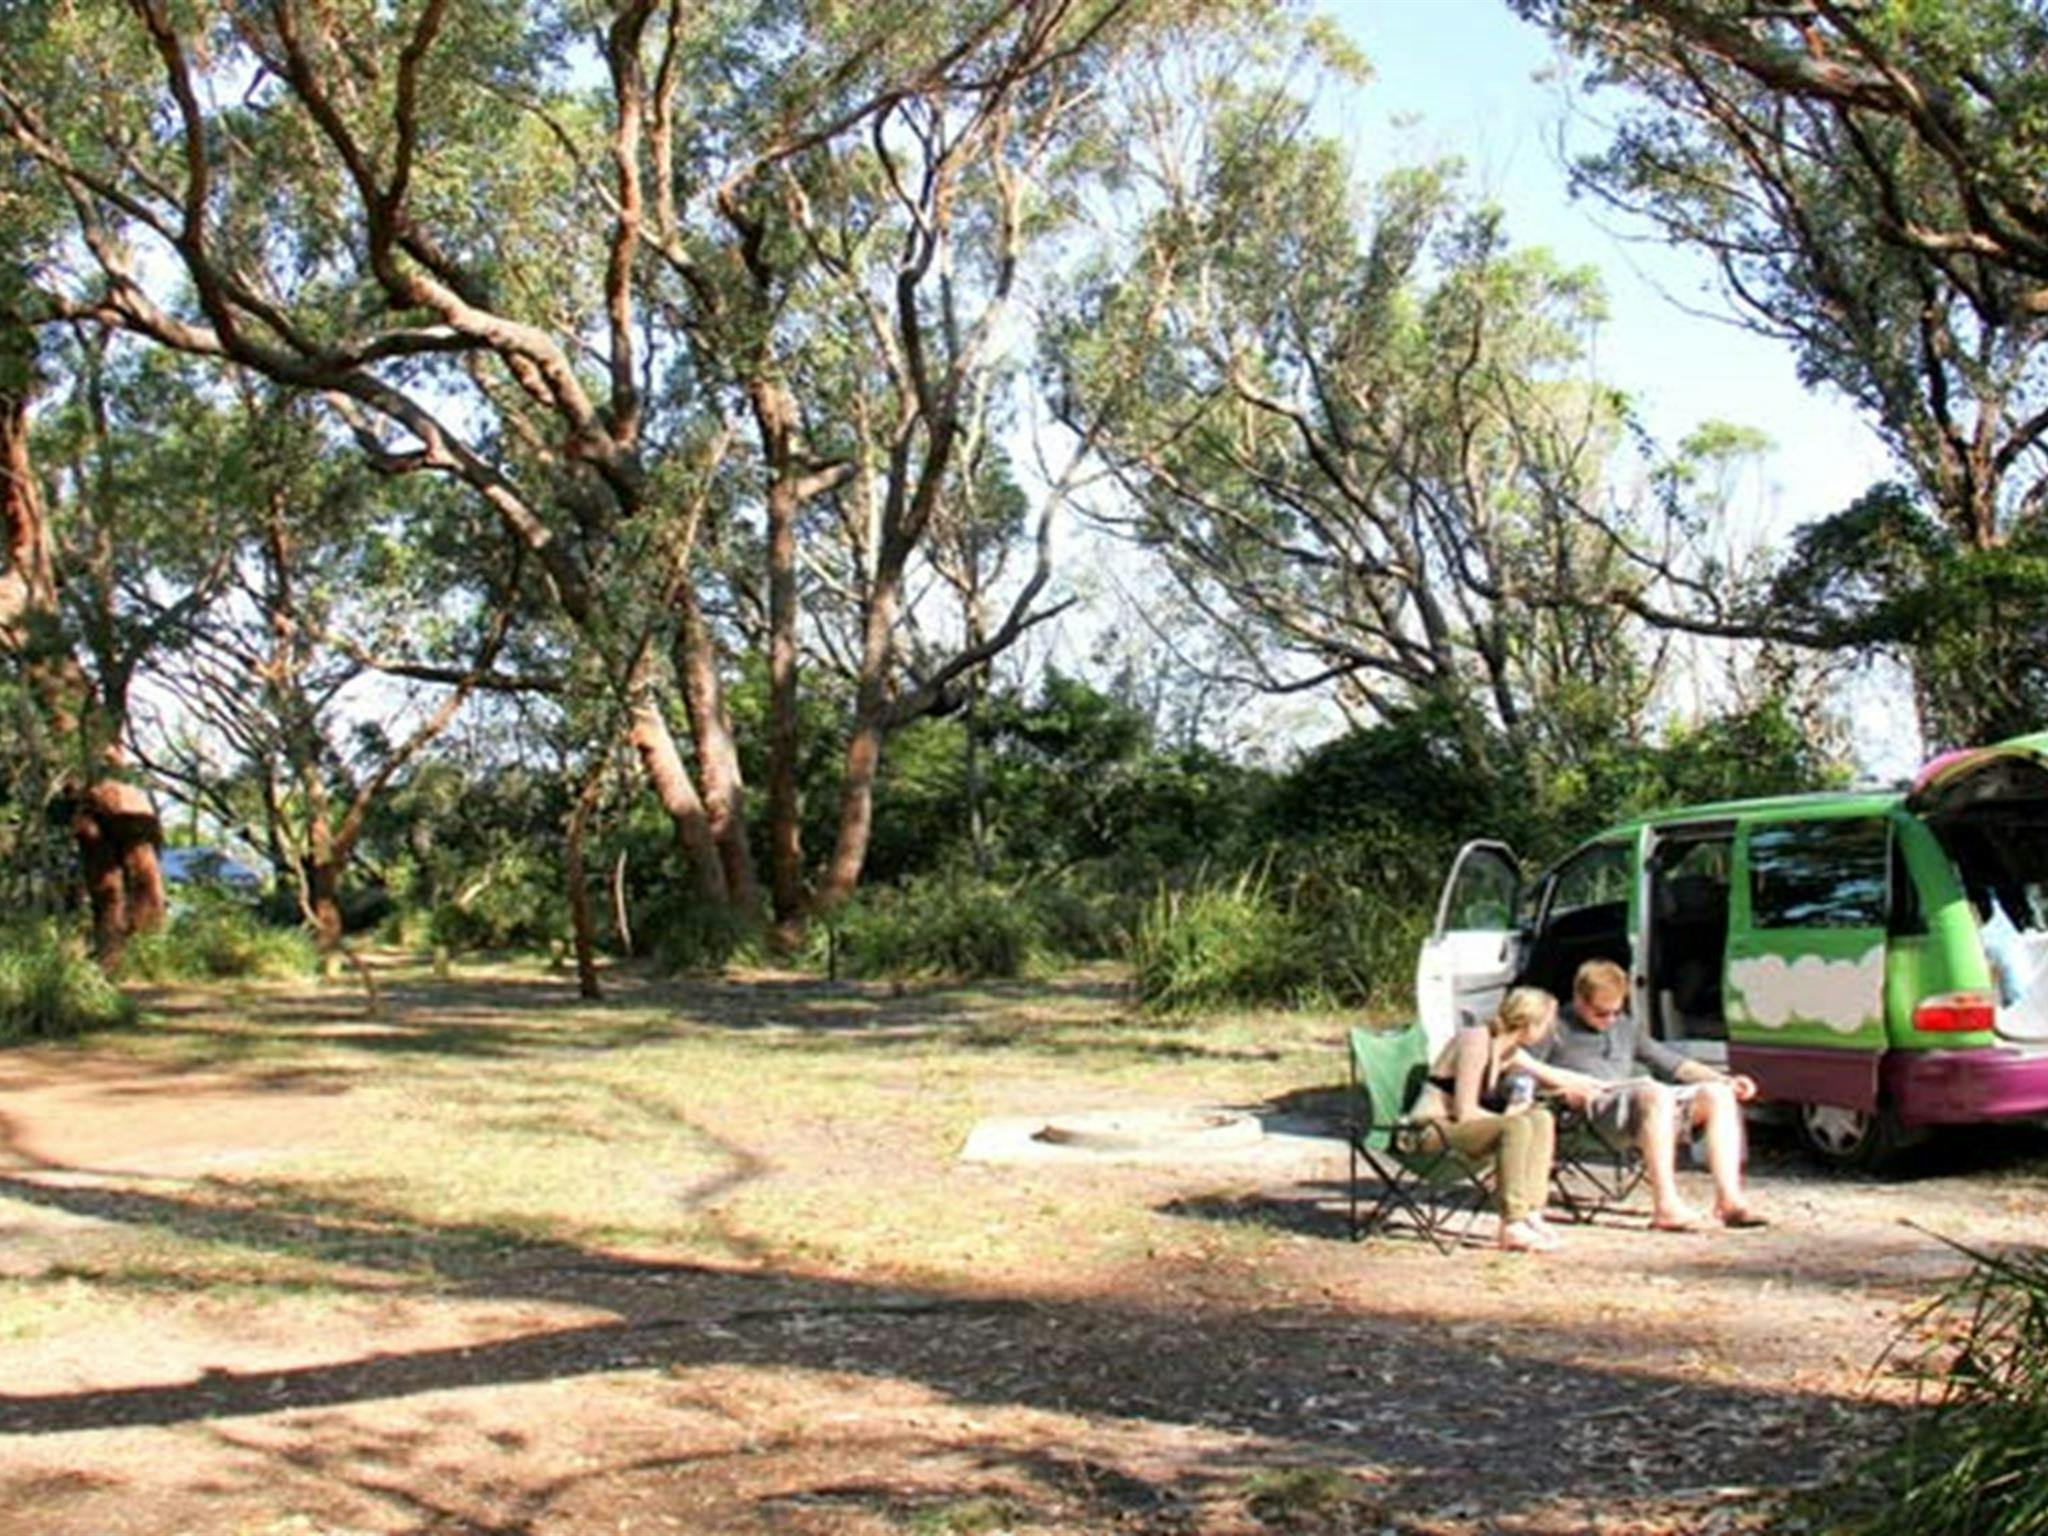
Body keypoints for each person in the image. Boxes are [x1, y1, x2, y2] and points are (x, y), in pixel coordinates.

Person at [1525, 958, 1766, 1232]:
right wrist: (1559, 1090)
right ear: (1579, 998)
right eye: (1601, 1013)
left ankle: (1729, 1201)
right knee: (1654, 1092)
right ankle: (1666, 1206)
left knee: (1717, 1095)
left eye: (1616, 1012)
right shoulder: (1552, 1027)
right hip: (1589, 1112)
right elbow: (1515, 1077)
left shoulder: (1624, 1026)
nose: (1610, 1020)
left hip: (1642, 1108)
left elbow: (1673, 1064)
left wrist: (1725, 1080)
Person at [1417, 986, 1562, 1252]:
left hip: (1456, 1129)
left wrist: (1602, 1089)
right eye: (1547, 1024)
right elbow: (1465, 1111)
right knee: (1516, 1126)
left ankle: (1532, 1211)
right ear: (1530, 1024)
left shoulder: (1507, 1051)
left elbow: (1556, 1076)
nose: (1549, 1032)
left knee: (1540, 1117)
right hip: (1427, 1130)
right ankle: (1512, 1223)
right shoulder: (1476, 1041)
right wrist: (1508, 1117)